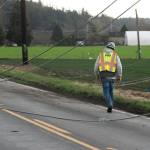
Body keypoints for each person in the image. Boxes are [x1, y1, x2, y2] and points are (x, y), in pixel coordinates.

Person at [94, 42, 122, 113]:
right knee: (111, 91)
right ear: (113, 48)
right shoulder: (115, 55)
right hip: (112, 76)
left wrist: (96, 74)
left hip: (103, 76)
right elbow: (119, 66)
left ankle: (110, 105)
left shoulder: (101, 55)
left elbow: (96, 66)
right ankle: (111, 104)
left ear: (106, 47)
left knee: (106, 91)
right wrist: (119, 75)